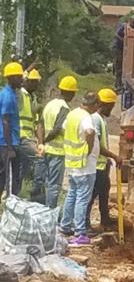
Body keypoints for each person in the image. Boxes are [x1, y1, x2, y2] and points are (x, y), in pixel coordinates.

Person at [60, 92, 99, 246]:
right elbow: (89, 132)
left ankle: (65, 226)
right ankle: (79, 232)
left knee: (72, 195)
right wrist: (88, 148)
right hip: (84, 164)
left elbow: (64, 129)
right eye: (97, 105)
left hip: (72, 162)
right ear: (93, 104)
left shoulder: (72, 114)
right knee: (82, 198)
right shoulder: (85, 117)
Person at [34, 75, 78, 208]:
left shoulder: (49, 104)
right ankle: (49, 214)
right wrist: (46, 141)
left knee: (40, 181)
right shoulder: (65, 108)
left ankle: (38, 210)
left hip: (44, 150)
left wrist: (41, 143)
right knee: (53, 185)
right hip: (57, 153)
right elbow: (58, 129)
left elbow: (40, 125)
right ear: (71, 93)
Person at [87, 88, 120, 230]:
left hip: (102, 164)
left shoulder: (101, 119)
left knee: (104, 191)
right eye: (111, 106)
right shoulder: (95, 119)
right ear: (105, 105)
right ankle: (85, 223)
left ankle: (105, 219)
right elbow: (97, 145)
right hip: (96, 165)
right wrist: (113, 156)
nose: (111, 110)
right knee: (91, 195)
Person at [17, 69, 43, 197]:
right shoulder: (20, 94)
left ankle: (16, 193)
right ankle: (37, 190)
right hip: (21, 136)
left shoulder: (33, 98)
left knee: (22, 168)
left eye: (36, 82)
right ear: (26, 82)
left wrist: (40, 141)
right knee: (40, 157)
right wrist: (26, 72)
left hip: (29, 137)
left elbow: (37, 123)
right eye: (33, 82)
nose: (36, 85)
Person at [0, 62, 23, 196]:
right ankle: (9, 206)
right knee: (10, 178)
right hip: (7, 143)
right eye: (18, 77)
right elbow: (6, 120)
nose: (21, 79)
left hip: (5, 142)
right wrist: (9, 147)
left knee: (3, 177)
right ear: (11, 78)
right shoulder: (8, 96)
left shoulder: (7, 93)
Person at [113, 18, 134, 90]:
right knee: (119, 67)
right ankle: (118, 85)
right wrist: (124, 41)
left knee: (122, 67)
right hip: (117, 48)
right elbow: (116, 34)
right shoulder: (124, 26)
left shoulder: (131, 29)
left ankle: (119, 84)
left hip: (122, 49)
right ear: (130, 21)